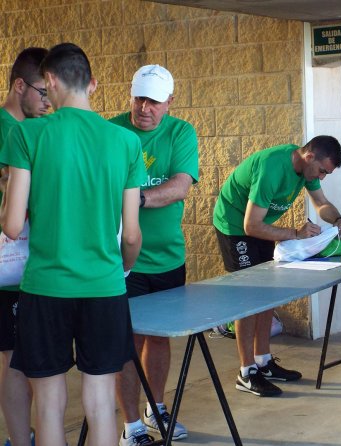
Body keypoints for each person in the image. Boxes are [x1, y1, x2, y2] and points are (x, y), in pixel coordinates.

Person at [0, 42, 144, 446]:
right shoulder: (125, 142)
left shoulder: (28, 134)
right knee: (99, 402)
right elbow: (131, 235)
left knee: (48, 403)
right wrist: (122, 268)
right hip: (105, 286)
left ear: (49, 81)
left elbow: (12, 226)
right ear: (90, 84)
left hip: (45, 288)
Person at [213, 136, 341, 397]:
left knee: (268, 294)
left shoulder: (307, 170)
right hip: (234, 226)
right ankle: (247, 372)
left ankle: (263, 361)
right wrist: (295, 233)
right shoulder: (271, 168)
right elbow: (250, 226)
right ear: (310, 157)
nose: (322, 177)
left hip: (261, 226)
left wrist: (339, 219)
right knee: (248, 299)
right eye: (322, 171)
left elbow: (321, 204)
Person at [111, 64, 199, 445]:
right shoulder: (110, 131)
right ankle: (131, 427)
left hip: (168, 258)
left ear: (170, 103)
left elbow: (180, 186)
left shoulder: (181, 132)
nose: (145, 107)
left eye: (154, 101)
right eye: (139, 98)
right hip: (118, 262)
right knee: (125, 343)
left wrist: (134, 197)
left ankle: (155, 408)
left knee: (158, 339)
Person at [0, 46, 49, 446]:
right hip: (7, 268)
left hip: (32, 267)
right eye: (42, 92)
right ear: (20, 86)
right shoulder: (5, 129)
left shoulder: (34, 130)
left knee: (25, 361)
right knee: (14, 362)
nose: (49, 102)